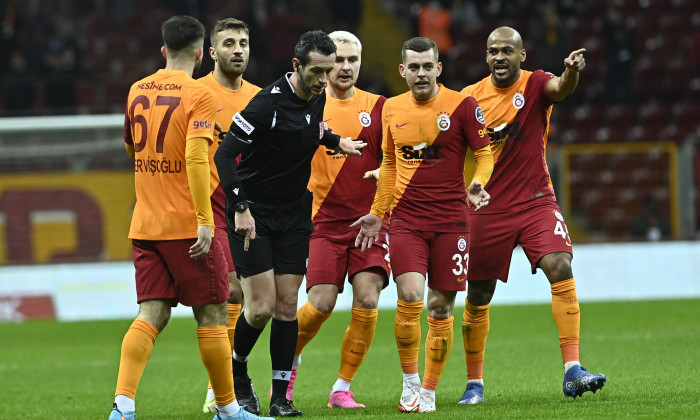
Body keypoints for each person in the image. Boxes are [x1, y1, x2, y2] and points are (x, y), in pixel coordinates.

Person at [109, 15, 272, 420]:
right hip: (187, 224)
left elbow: (131, 149)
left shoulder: (136, 89)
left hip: (145, 223)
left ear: (163, 50)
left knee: (152, 313)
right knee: (216, 312)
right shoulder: (199, 93)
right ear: (202, 53)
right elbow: (199, 159)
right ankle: (229, 410)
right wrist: (205, 219)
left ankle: (123, 407)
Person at [214, 30, 366, 417]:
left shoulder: (316, 97)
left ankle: (281, 398)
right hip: (255, 213)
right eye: (318, 71)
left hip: (295, 213)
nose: (325, 79)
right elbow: (224, 154)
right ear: (296, 66)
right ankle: (238, 373)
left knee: (286, 306)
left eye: (329, 71)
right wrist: (240, 207)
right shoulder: (265, 105)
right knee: (261, 306)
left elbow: (308, 129)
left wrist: (334, 140)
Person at [456, 26, 606, 406]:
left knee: (560, 264)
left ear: (522, 55)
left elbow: (561, 89)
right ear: (486, 56)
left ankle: (573, 369)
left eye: (508, 50)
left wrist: (571, 71)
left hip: (536, 200)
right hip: (487, 206)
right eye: (493, 51)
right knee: (478, 294)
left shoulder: (536, 83)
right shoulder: (468, 99)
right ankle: (474, 384)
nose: (500, 57)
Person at [352, 36, 494, 413]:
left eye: (427, 66)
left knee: (441, 308)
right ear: (402, 70)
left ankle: (429, 390)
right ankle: (410, 383)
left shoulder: (462, 105)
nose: (420, 73)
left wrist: (478, 181)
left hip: (452, 222)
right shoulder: (391, 109)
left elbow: (484, 153)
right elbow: (391, 165)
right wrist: (377, 213)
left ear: (438, 69)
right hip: (407, 221)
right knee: (411, 297)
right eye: (413, 67)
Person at [287, 30, 390, 409]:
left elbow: (396, 158)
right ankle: (288, 362)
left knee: (368, 297)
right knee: (321, 303)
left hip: (369, 222)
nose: (345, 67)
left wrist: (386, 176)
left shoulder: (380, 106)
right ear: (326, 63)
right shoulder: (305, 105)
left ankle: (342, 388)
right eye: (339, 60)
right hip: (321, 223)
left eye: (353, 60)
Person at [197, 17, 262, 414]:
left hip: (253, 211)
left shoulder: (260, 97)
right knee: (228, 294)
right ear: (212, 52)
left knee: (258, 303)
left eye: (243, 42)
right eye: (229, 43)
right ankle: (219, 390)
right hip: (211, 209)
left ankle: (227, 383)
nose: (237, 49)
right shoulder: (196, 93)